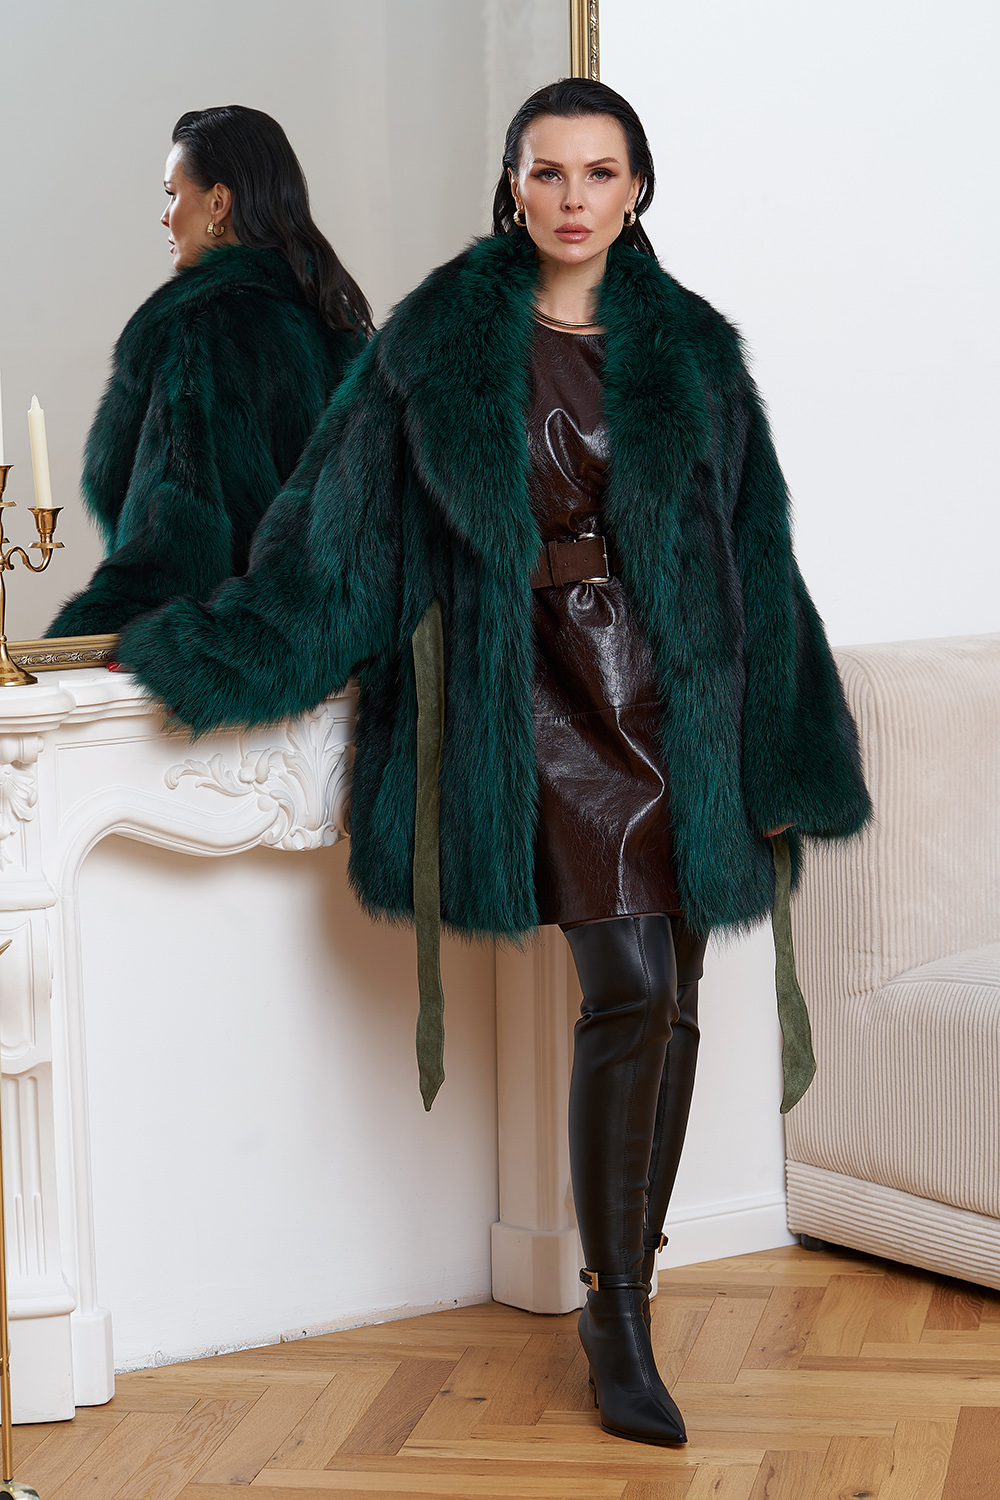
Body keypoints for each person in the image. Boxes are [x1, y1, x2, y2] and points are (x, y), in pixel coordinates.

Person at [114, 80, 871, 1448]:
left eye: (600, 172)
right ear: (511, 184)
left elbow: (761, 556)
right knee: (630, 985)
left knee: (676, 997)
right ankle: (618, 1319)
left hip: (681, 696)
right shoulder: (439, 342)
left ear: (637, 189)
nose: (573, 198)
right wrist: (204, 641)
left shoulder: (695, 352)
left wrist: (780, 747)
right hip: (536, 697)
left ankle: (627, 1282)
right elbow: (334, 530)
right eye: (547, 171)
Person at [47, 106, 370, 637]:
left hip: (226, 654)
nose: (165, 215)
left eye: (172, 193)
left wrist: (83, 641)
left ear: (218, 202)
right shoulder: (335, 325)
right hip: (327, 652)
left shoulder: (203, 327)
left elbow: (180, 536)